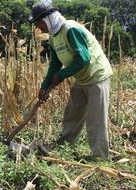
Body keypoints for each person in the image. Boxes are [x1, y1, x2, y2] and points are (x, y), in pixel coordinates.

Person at [28, 2, 113, 159]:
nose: (38, 28)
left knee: (95, 119)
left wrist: (62, 75)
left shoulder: (70, 29)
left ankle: (100, 156)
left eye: (38, 22)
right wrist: (44, 86)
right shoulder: (53, 36)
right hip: (81, 77)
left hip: (97, 75)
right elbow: (55, 64)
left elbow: (84, 58)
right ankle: (63, 147)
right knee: (72, 114)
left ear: (47, 18)